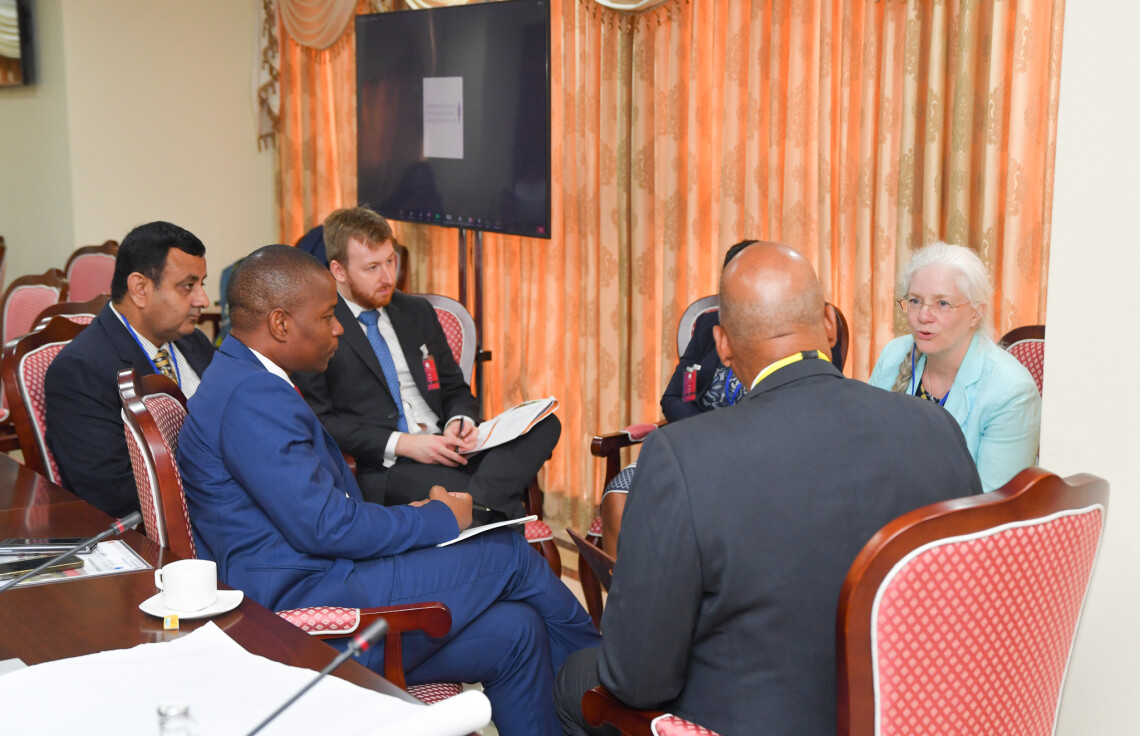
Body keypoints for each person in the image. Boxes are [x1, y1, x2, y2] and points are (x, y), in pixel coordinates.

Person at [554, 242, 982, 736]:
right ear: (827, 323)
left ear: (723, 344)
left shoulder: (682, 455)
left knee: (575, 680)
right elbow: (968, 612)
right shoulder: (937, 427)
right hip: (909, 714)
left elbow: (636, 681)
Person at [177, 245, 598, 736]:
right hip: (306, 616)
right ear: (280, 324)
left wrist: (417, 514)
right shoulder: (251, 394)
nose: (338, 328)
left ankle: (581, 708)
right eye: (328, 315)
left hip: (323, 580)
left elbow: (321, 508)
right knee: (507, 553)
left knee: (518, 632)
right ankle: (608, 693)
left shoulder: (245, 377)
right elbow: (326, 525)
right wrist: (440, 518)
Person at [293, 206, 560, 521]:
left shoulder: (416, 312)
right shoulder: (318, 325)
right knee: (503, 505)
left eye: (392, 260)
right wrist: (405, 444)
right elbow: (322, 421)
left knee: (545, 424)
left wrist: (459, 422)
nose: (388, 277)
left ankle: (474, 510)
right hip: (390, 466)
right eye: (372, 267)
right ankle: (487, 510)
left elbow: (454, 388)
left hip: (450, 446)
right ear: (338, 270)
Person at [44, 221, 214, 517]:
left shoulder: (193, 341)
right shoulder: (80, 371)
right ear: (139, 288)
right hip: (165, 536)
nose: (202, 300)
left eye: (202, 284)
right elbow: (112, 494)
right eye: (188, 286)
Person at [868, 242, 1041, 492]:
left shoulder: (1011, 392)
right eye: (916, 301)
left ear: (975, 314)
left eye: (942, 304)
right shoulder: (894, 354)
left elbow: (993, 510)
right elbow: (864, 452)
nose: (923, 316)